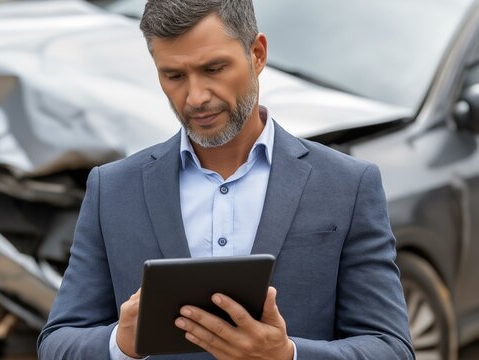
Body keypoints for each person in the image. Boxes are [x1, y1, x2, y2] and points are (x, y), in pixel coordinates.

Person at [37, 0, 414, 359]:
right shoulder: (113, 189)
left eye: (213, 69)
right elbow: (57, 342)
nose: (196, 96)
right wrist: (120, 343)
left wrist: (286, 356)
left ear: (257, 54)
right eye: (174, 76)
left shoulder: (347, 186)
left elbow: (391, 348)